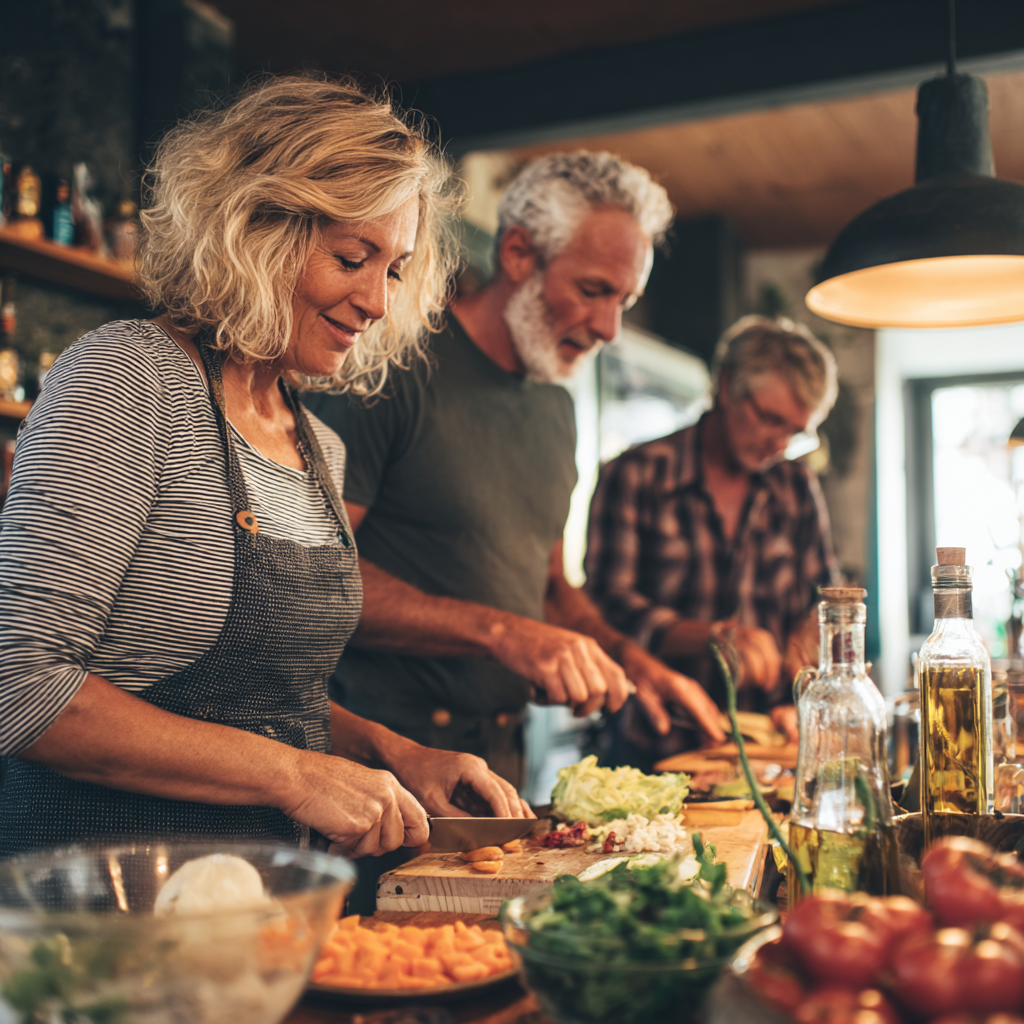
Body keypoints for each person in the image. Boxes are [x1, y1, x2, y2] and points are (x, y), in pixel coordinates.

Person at [0, 76, 531, 861]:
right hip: (99, 913)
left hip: (259, 904)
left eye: (394, 269)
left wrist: (394, 755)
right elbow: (22, 687)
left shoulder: (321, 446)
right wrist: (290, 774)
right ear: (256, 231)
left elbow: (272, 704)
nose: (380, 301)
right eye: (353, 257)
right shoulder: (127, 379)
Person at [304, 151, 726, 789]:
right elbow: (313, 575)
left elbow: (552, 590)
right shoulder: (392, 367)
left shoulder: (557, 405)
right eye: (592, 291)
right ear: (520, 254)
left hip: (505, 755)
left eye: (625, 299)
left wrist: (635, 664)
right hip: (379, 759)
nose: (610, 327)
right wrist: (501, 633)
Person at [585, 315, 841, 770]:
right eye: (769, 419)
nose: (777, 443)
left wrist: (805, 656)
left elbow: (823, 600)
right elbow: (606, 606)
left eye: (793, 432)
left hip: (769, 748)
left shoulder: (797, 487)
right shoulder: (636, 474)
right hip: (657, 743)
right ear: (726, 387)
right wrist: (711, 639)